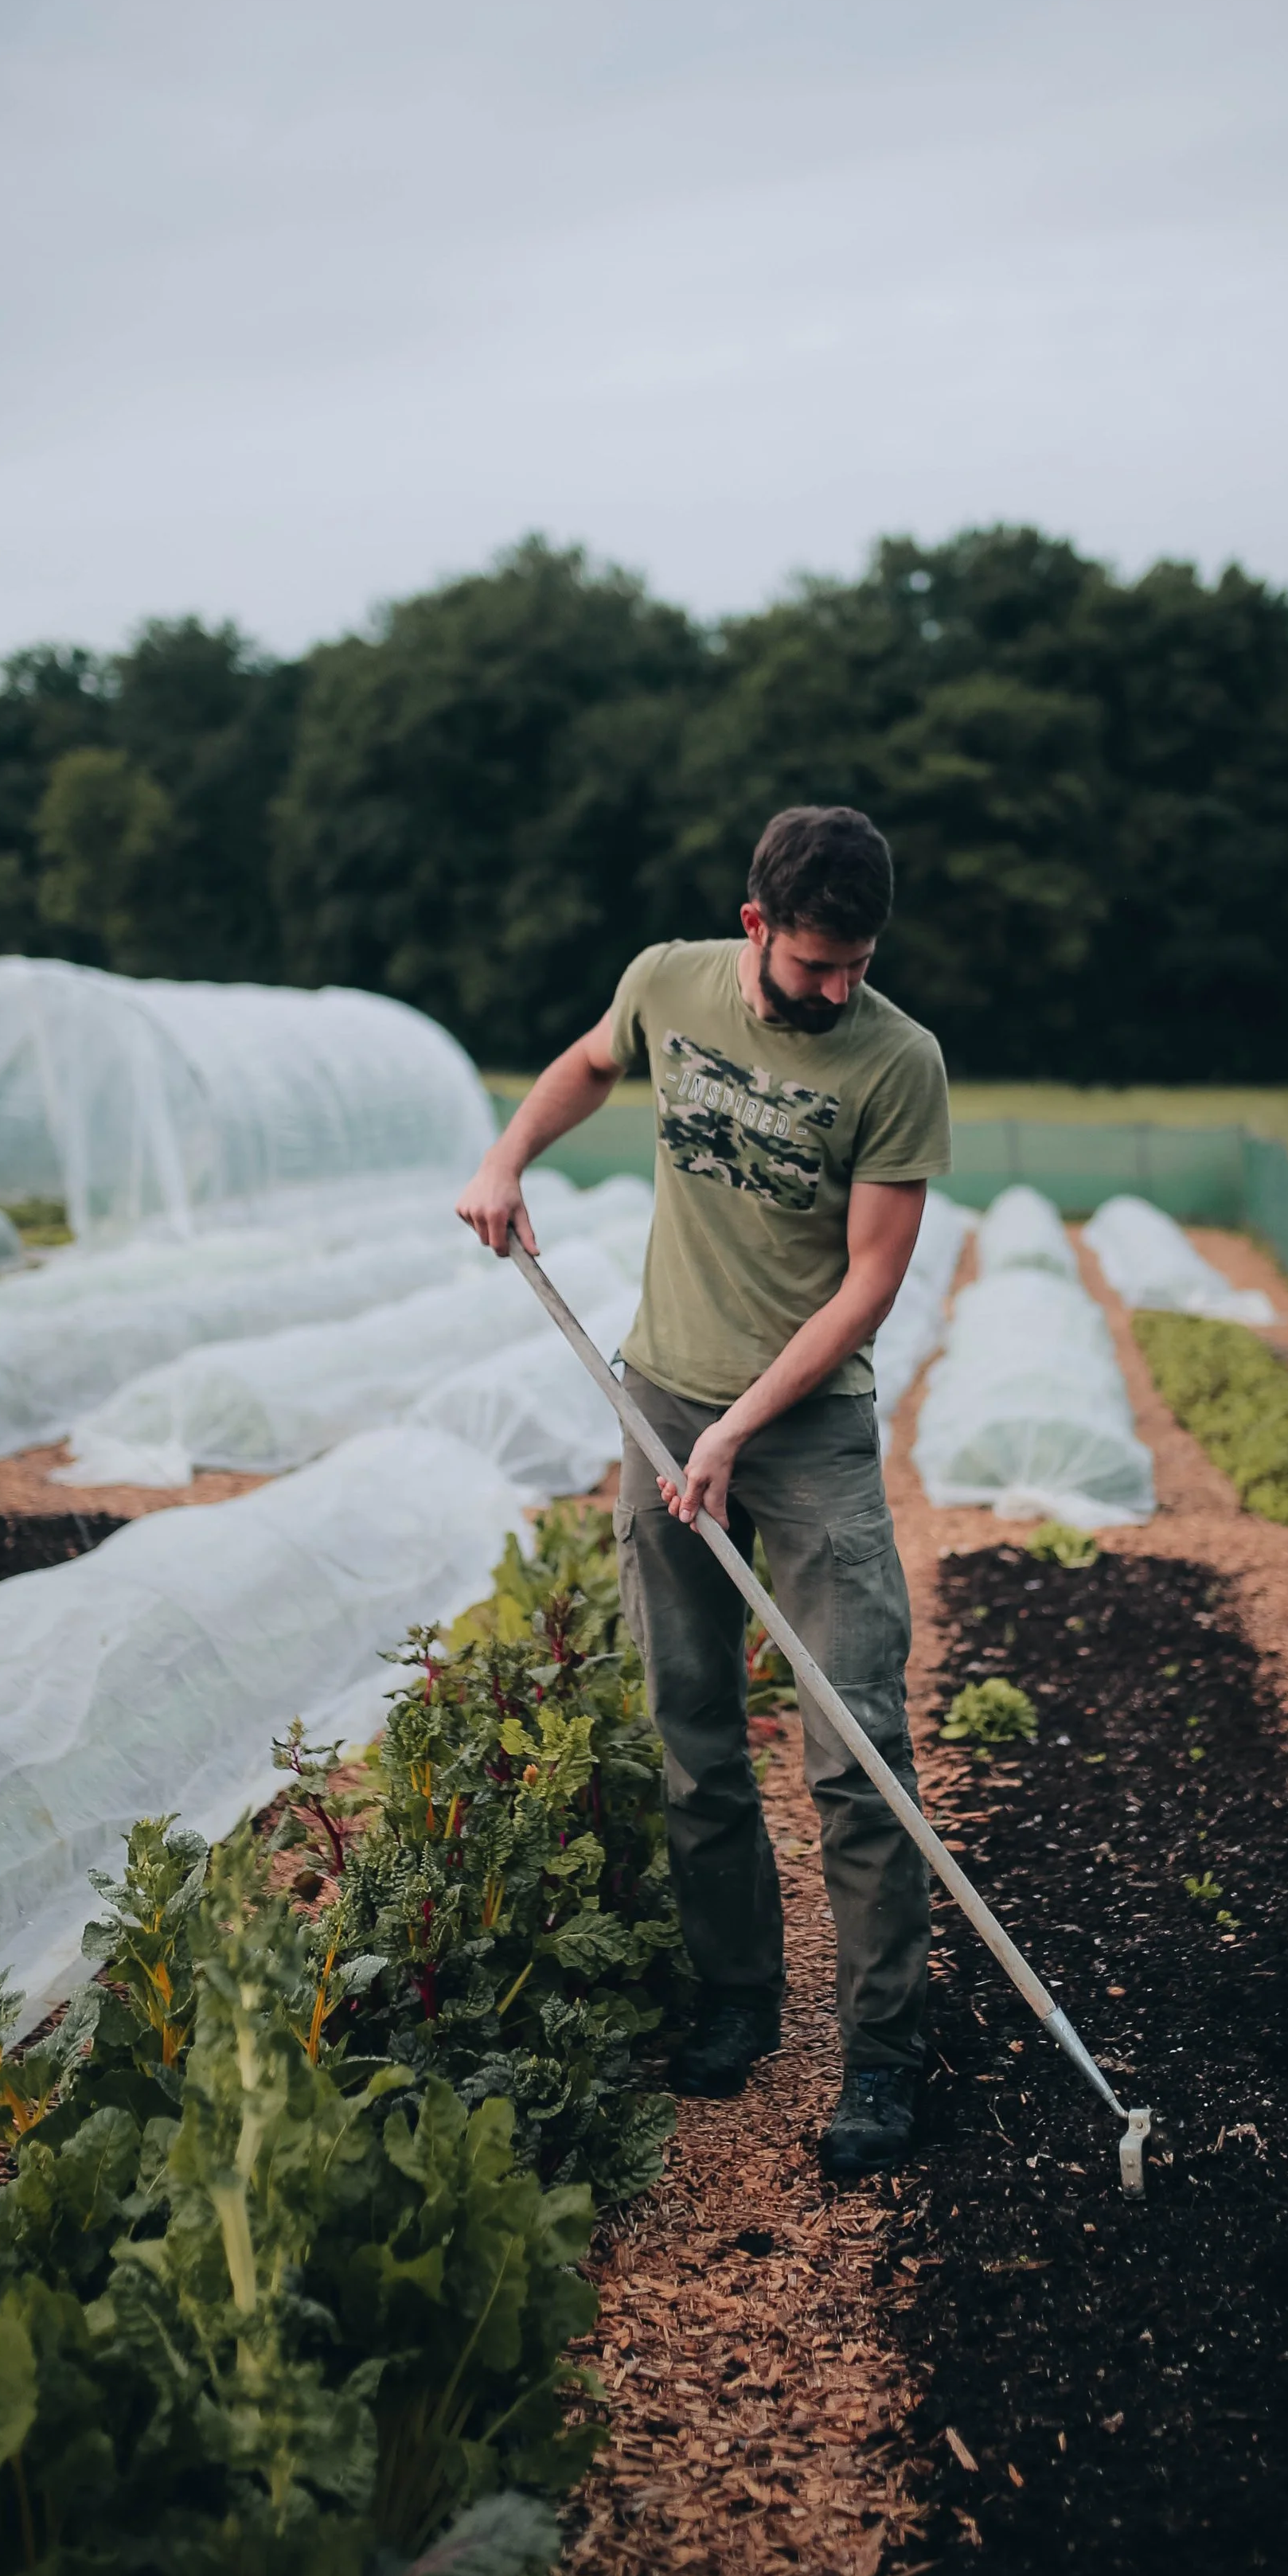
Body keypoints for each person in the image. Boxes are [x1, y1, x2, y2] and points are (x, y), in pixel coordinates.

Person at [455, 805, 951, 2176]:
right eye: (812, 966)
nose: (838, 989)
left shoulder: (900, 1062)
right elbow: (587, 1060)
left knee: (856, 1744)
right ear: (754, 928)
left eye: (857, 964)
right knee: (694, 1731)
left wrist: (740, 1423)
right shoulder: (667, 980)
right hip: (661, 1399)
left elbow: (869, 1286)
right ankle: (739, 1998)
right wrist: (507, 1156)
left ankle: (885, 2056)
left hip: (805, 1436)